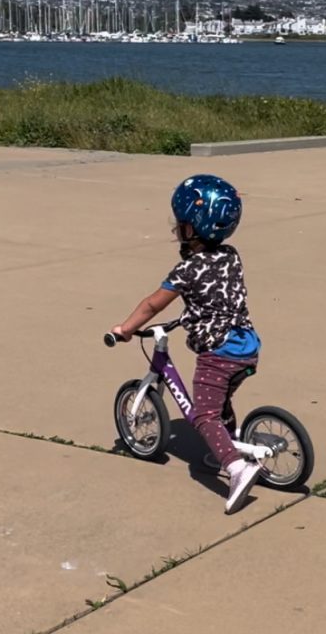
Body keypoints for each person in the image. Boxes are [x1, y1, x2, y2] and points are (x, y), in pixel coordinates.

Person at [111, 174, 263, 515]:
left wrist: (125, 329)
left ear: (194, 228)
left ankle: (237, 469)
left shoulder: (187, 271)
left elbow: (153, 305)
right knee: (221, 400)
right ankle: (227, 444)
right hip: (247, 345)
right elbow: (215, 298)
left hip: (218, 353)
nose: (177, 229)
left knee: (203, 414)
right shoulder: (231, 256)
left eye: (181, 224)